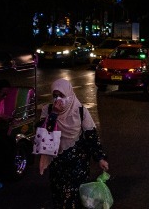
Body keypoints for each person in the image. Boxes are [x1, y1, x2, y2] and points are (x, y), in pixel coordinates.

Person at [39, 79, 109, 209]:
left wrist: (100, 158)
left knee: (71, 198)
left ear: (70, 95)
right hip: (57, 163)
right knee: (59, 196)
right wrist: (54, 114)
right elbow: (44, 134)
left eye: (62, 95)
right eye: (55, 96)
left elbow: (91, 136)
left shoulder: (80, 111)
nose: (58, 99)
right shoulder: (47, 111)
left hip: (77, 163)